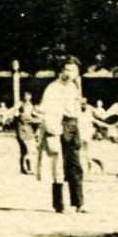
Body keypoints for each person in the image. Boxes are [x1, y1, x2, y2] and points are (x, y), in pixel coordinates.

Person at [38, 59, 85, 213]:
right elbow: (46, 110)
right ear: (61, 71)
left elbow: (76, 110)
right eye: (67, 69)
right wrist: (53, 131)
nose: (69, 73)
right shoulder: (53, 88)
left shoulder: (74, 87)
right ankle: (59, 204)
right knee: (58, 166)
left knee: (75, 165)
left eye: (73, 70)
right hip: (57, 126)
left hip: (72, 127)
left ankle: (79, 203)